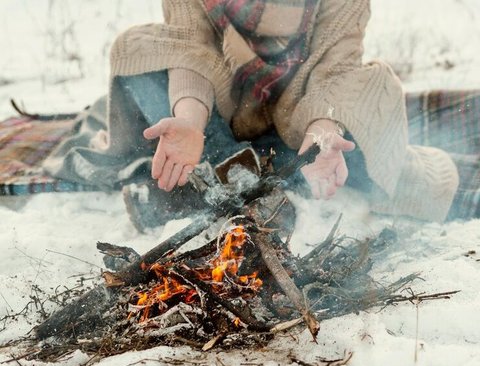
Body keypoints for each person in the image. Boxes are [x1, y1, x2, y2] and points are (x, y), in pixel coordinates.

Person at [45, 0, 479, 231]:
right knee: (138, 47)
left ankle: (251, 180)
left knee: (374, 94)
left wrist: (324, 130)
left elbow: (339, 66)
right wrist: (190, 120)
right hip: (219, 121)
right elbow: (187, 48)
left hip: (300, 126)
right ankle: (241, 175)